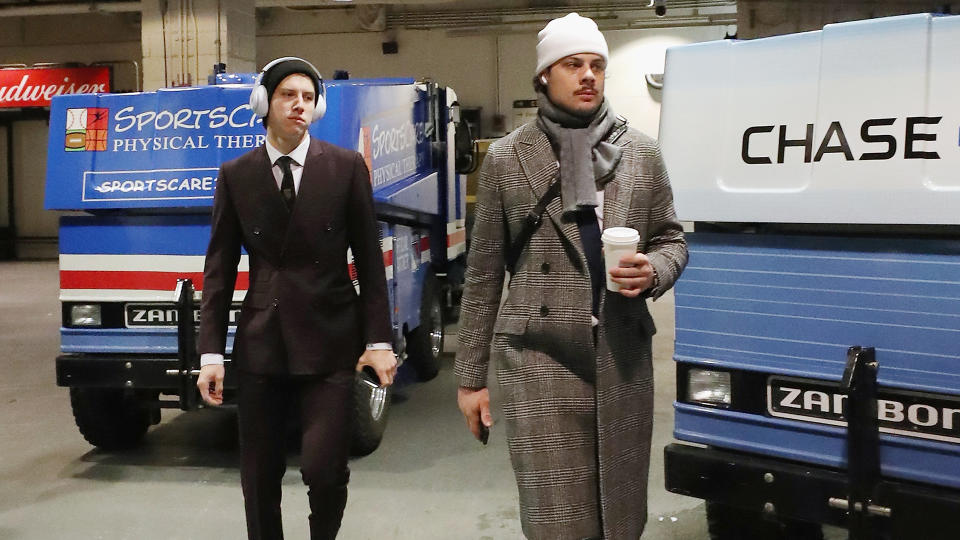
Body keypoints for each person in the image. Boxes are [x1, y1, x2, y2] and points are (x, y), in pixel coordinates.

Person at [455, 14, 688, 540]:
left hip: (621, 356)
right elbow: (485, 273)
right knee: (559, 521)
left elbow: (672, 239)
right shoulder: (509, 159)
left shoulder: (641, 153)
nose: (588, 75)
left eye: (596, 65)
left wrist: (654, 270)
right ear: (543, 76)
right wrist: (470, 378)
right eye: (572, 64)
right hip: (538, 360)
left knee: (620, 519)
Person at [195, 56, 397, 540]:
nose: (299, 106)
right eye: (288, 95)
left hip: (330, 341)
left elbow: (370, 263)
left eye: (307, 97)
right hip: (263, 342)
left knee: (324, 469)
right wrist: (210, 354)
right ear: (264, 104)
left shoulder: (345, 168)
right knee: (259, 475)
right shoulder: (237, 174)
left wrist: (380, 340)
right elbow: (219, 270)